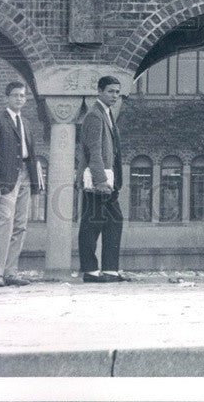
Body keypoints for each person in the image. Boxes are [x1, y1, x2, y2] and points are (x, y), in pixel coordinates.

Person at [0, 81, 43, 287]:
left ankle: (11, 272)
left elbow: (32, 154)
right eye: (15, 95)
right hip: (5, 179)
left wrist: (35, 182)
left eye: (23, 96)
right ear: (6, 98)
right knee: (5, 224)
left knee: (20, 226)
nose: (19, 99)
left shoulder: (26, 123)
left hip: (25, 174)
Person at [77, 75, 133, 283]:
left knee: (114, 221)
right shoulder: (94, 115)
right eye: (110, 91)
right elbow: (94, 150)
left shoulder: (106, 114)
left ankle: (110, 270)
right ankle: (90, 272)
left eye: (117, 92)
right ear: (99, 91)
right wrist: (100, 180)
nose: (115, 95)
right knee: (92, 223)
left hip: (109, 180)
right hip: (99, 181)